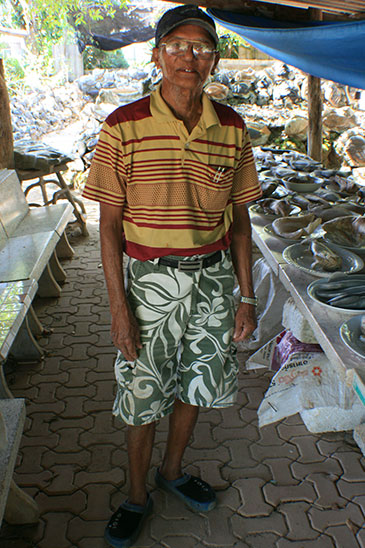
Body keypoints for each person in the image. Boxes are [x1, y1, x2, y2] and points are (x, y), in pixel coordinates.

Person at [83, 4, 262, 547]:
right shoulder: (123, 125)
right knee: (143, 393)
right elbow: (108, 225)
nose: (191, 57)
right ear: (158, 54)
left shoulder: (230, 127)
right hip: (147, 283)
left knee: (195, 385)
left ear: (214, 59)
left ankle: (172, 471)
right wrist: (118, 308)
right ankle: (136, 496)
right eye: (178, 46)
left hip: (212, 282)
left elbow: (240, 220)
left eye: (202, 48)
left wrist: (247, 298)